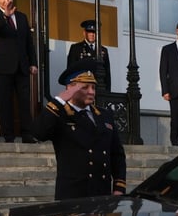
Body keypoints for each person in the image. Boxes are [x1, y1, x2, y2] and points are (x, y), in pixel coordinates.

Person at [32, 58, 127, 201]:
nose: (91, 92)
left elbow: (117, 154)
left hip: (102, 194)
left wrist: (119, 187)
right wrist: (58, 101)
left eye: (93, 88)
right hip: (73, 196)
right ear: (70, 88)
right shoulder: (60, 114)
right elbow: (38, 133)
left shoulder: (104, 115)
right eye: (85, 87)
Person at [0, 0, 38, 142]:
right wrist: (5, 17)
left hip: (22, 66)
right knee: (5, 102)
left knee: (24, 102)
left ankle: (27, 134)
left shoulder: (21, 17)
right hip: (3, 66)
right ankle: (8, 136)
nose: (7, 1)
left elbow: (29, 42)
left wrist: (33, 62)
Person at [67, 19, 111, 99]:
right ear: (84, 33)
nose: (92, 35)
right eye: (89, 32)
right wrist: (71, 90)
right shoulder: (76, 48)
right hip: (81, 89)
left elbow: (107, 73)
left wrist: (107, 92)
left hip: (99, 90)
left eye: (94, 32)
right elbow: (70, 70)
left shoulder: (103, 50)